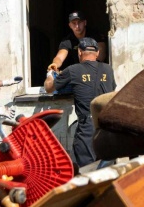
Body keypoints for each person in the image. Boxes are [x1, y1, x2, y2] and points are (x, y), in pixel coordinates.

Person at [44, 37, 116, 167]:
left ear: (79, 53)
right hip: (108, 127)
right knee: (106, 171)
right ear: (97, 53)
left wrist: (50, 73)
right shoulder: (108, 69)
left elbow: (49, 88)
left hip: (88, 128)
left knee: (85, 170)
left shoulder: (73, 70)